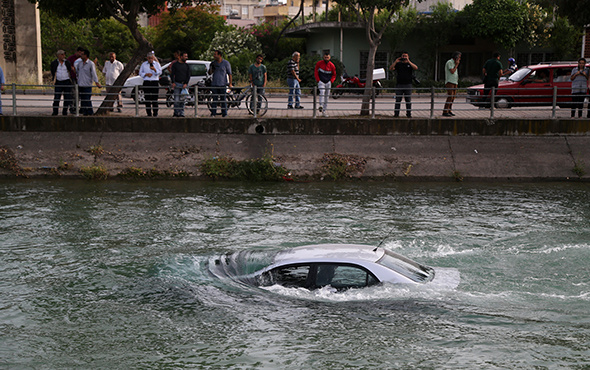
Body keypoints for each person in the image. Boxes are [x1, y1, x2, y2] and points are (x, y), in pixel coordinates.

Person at [389, 51, 418, 118]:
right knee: (398, 100)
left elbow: (416, 68)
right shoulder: (398, 64)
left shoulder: (410, 64)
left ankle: (408, 114)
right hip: (399, 84)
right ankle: (396, 114)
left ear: (408, 57)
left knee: (408, 100)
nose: (404, 57)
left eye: (405, 56)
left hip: (408, 84)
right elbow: (391, 68)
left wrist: (408, 61)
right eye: (403, 56)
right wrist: (396, 61)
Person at [75, 49, 101, 116]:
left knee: (87, 99)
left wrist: (96, 82)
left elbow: (93, 73)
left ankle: (90, 112)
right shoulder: (80, 63)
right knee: (82, 99)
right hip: (80, 84)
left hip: (87, 84)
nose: (81, 55)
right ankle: (85, 112)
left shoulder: (90, 64)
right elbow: (77, 72)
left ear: (86, 55)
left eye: (82, 54)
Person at [209, 50, 232, 117]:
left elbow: (230, 74)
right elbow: (210, 72)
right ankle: (213, 113)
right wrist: (211, 68)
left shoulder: (226, 63)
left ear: (219, 55)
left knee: (223, 99)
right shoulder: (213, 63)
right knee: (214, 99)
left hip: (222, 84)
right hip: (214, 84)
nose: (214, 56)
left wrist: (230, 83)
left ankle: (224, 113)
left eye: (215, 54)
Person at [50, 50, 73, 116]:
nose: (63, 56)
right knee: (57, 97)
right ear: (58, 55)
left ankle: (65, 111)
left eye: (64, 55)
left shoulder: (67, 62)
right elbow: (53, 71)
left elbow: (70, 70)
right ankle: (55, 111)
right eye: (62, 55)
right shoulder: (54, 63)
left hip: (67, 81)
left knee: (67, 97)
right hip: (58, 82)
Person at [140, 52, 162, 117]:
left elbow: (160, 72)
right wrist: (146, 74)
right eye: (149, 58)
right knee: (147, 99)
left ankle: (155, 113)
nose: (150, 60)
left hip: (154, 82)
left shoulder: (157, 64)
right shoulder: (144, 64)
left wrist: (155, 70)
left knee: (155, 98)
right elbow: (140, 73)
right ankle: (149, 113)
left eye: (152, 58)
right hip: (147, 82)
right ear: (147, 58)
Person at [314, 52, 337, 117]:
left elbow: (334, 74)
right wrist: (318, 80)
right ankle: (321, 105)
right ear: (323, 57)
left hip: (328, 82)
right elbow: (316, 72)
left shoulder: (332, 65)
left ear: (330, 57)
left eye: (327, 57)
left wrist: (331, 81)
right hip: (321, 81)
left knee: (327, 96)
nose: (326, 58)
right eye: (325, 57)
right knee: (322, 92)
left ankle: (324, 111)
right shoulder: (319, 63)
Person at [170, 51, 190, 117]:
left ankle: (181, 113)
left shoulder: (187, 66)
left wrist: (186, 83)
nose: (186, 58)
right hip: (177, 83)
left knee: (183, 100)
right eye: (185, 56)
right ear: (181, 57)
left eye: (186, 56)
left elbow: (188, 75)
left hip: (184, 84)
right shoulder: (175, 65)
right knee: (176, 100)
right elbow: (172, 74)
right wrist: (173, 82)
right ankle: (176, 112)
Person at [443, 51, 461, 117]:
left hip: (455, 81)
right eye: (459, 57)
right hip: (450, 81)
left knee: (453, 97)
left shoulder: (454, 62)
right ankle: (445, 111)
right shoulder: (450, 62)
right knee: (450, 96)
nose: (459, 59)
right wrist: (456, 65)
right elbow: (452, 71)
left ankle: (449, 110)